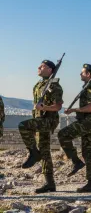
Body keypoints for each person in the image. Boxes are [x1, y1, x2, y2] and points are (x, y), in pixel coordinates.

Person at [19, 60, 63, 193]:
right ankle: (50, 184)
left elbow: (58, 106)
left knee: (23, 125)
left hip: (48, 120)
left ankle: (33, 153)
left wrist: (44, 107)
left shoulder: (55, 86)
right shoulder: (38, 85)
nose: (39, 67)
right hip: (39, 120)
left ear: (50, 70)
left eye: (42, 66)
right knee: (44, 150)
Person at [58, 64, 91, 192]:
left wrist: (73, 109)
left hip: (89, 121)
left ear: (88, 74)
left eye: (82, 72)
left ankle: (76, 161)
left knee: (63, 134)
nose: (80, 74)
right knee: (88, 152)